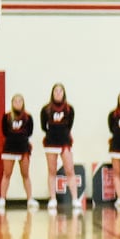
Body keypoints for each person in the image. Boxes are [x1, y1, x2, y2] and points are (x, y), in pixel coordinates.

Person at [41, 83, 81, 213]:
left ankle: (75, 199)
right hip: (51, 143)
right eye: (56, 91)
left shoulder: (69, 109)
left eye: (60, 91)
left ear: (64, 93)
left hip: (65, 143)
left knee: (70, 170)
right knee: (52, 171)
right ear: (52, 93)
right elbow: (43, 126)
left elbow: (70, 125)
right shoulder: (46, 109)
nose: (58, 93)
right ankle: (52, 199)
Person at [0, 93, 37, 212]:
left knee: (25, 174)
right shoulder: (7, 116)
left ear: (23, 103)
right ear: (12, 103)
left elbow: (29, 132)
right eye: (15, 101)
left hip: (23, 147)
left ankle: (30, 199)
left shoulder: (28, 117)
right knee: (7, 174)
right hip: (9, 148)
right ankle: (2, 200)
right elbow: (4, 131)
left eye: (20, 101)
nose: (18, 103)